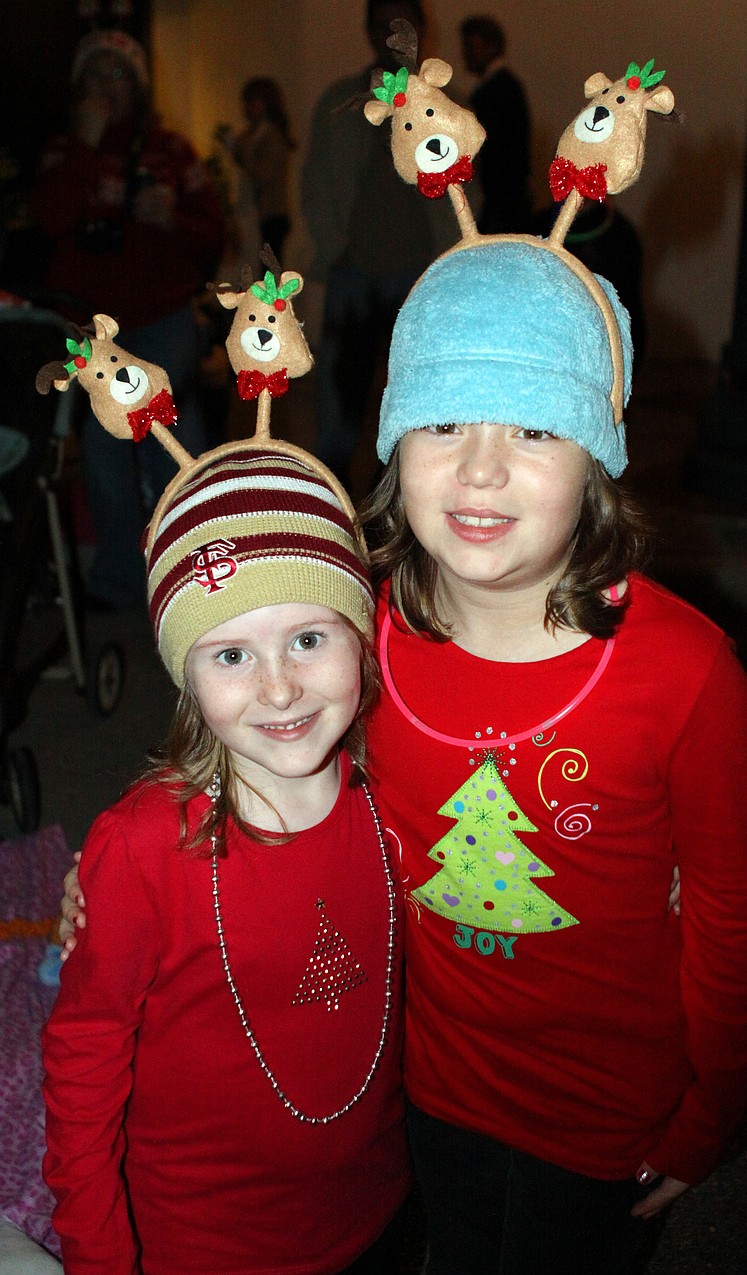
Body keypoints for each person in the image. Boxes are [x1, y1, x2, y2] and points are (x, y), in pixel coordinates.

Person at [59, 241, 747, 1272]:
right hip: (418, 1101)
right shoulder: (361, 633)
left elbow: (729, 919)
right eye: (443, 422)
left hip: (599, 1126)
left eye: (533, 425)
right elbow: (261, 721)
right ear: (396, 439)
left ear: (599, 447)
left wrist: (709, 1115)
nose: (481, 468)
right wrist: (119, 866)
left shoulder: (687, 676)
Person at [42, 437, 409, 1274]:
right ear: (186, 674)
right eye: (232, 654)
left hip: (374, 1213)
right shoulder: (144, 848)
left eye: (310, 638)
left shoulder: (395, 797)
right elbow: (84, 1055)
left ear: (362, 635)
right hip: (201, 1245)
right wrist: (100, 1253)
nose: (279, 688)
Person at [29, 29, 225, 609]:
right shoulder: (67, 150)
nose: (106, 87)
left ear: (139, 88)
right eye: (96, 74)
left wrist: (172, 221)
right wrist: (86, 148)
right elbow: (48, 221)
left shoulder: (172, 151)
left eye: (119, 75)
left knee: (172, 444)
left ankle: (189, 579)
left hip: (161, 320)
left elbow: (212, 240)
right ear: (78, 85)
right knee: (102, 446)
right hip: (90, 333)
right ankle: (117, 583)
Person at [300, 0, 456, 493]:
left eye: (402, 22)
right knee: (340, 403)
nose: (390, 33)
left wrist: (449, 258)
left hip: (421, 277)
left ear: (421, 30)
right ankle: (332, 504)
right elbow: (316, 182)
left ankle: (404, 502)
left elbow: (469, 185)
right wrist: (334, 245)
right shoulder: (341, 100)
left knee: (416, 401)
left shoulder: (445, 103)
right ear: (367, 30)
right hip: (355, 272)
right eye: (380, 22)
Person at [459, 15, 533, 233]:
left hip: (499, 205)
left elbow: (498, 156)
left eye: (471, 47)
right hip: (506, 202)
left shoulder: (496, 92)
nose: (466, 54)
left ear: (491, 46)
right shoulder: (506, 87)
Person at [228, 77, 295, 264]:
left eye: (253, 101)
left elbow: (262, 176)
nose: (248, 107)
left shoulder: (272, 136)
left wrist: (242, 152)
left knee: (269, 275)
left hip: (271, 215)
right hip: (255, 214)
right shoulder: (251, 135)